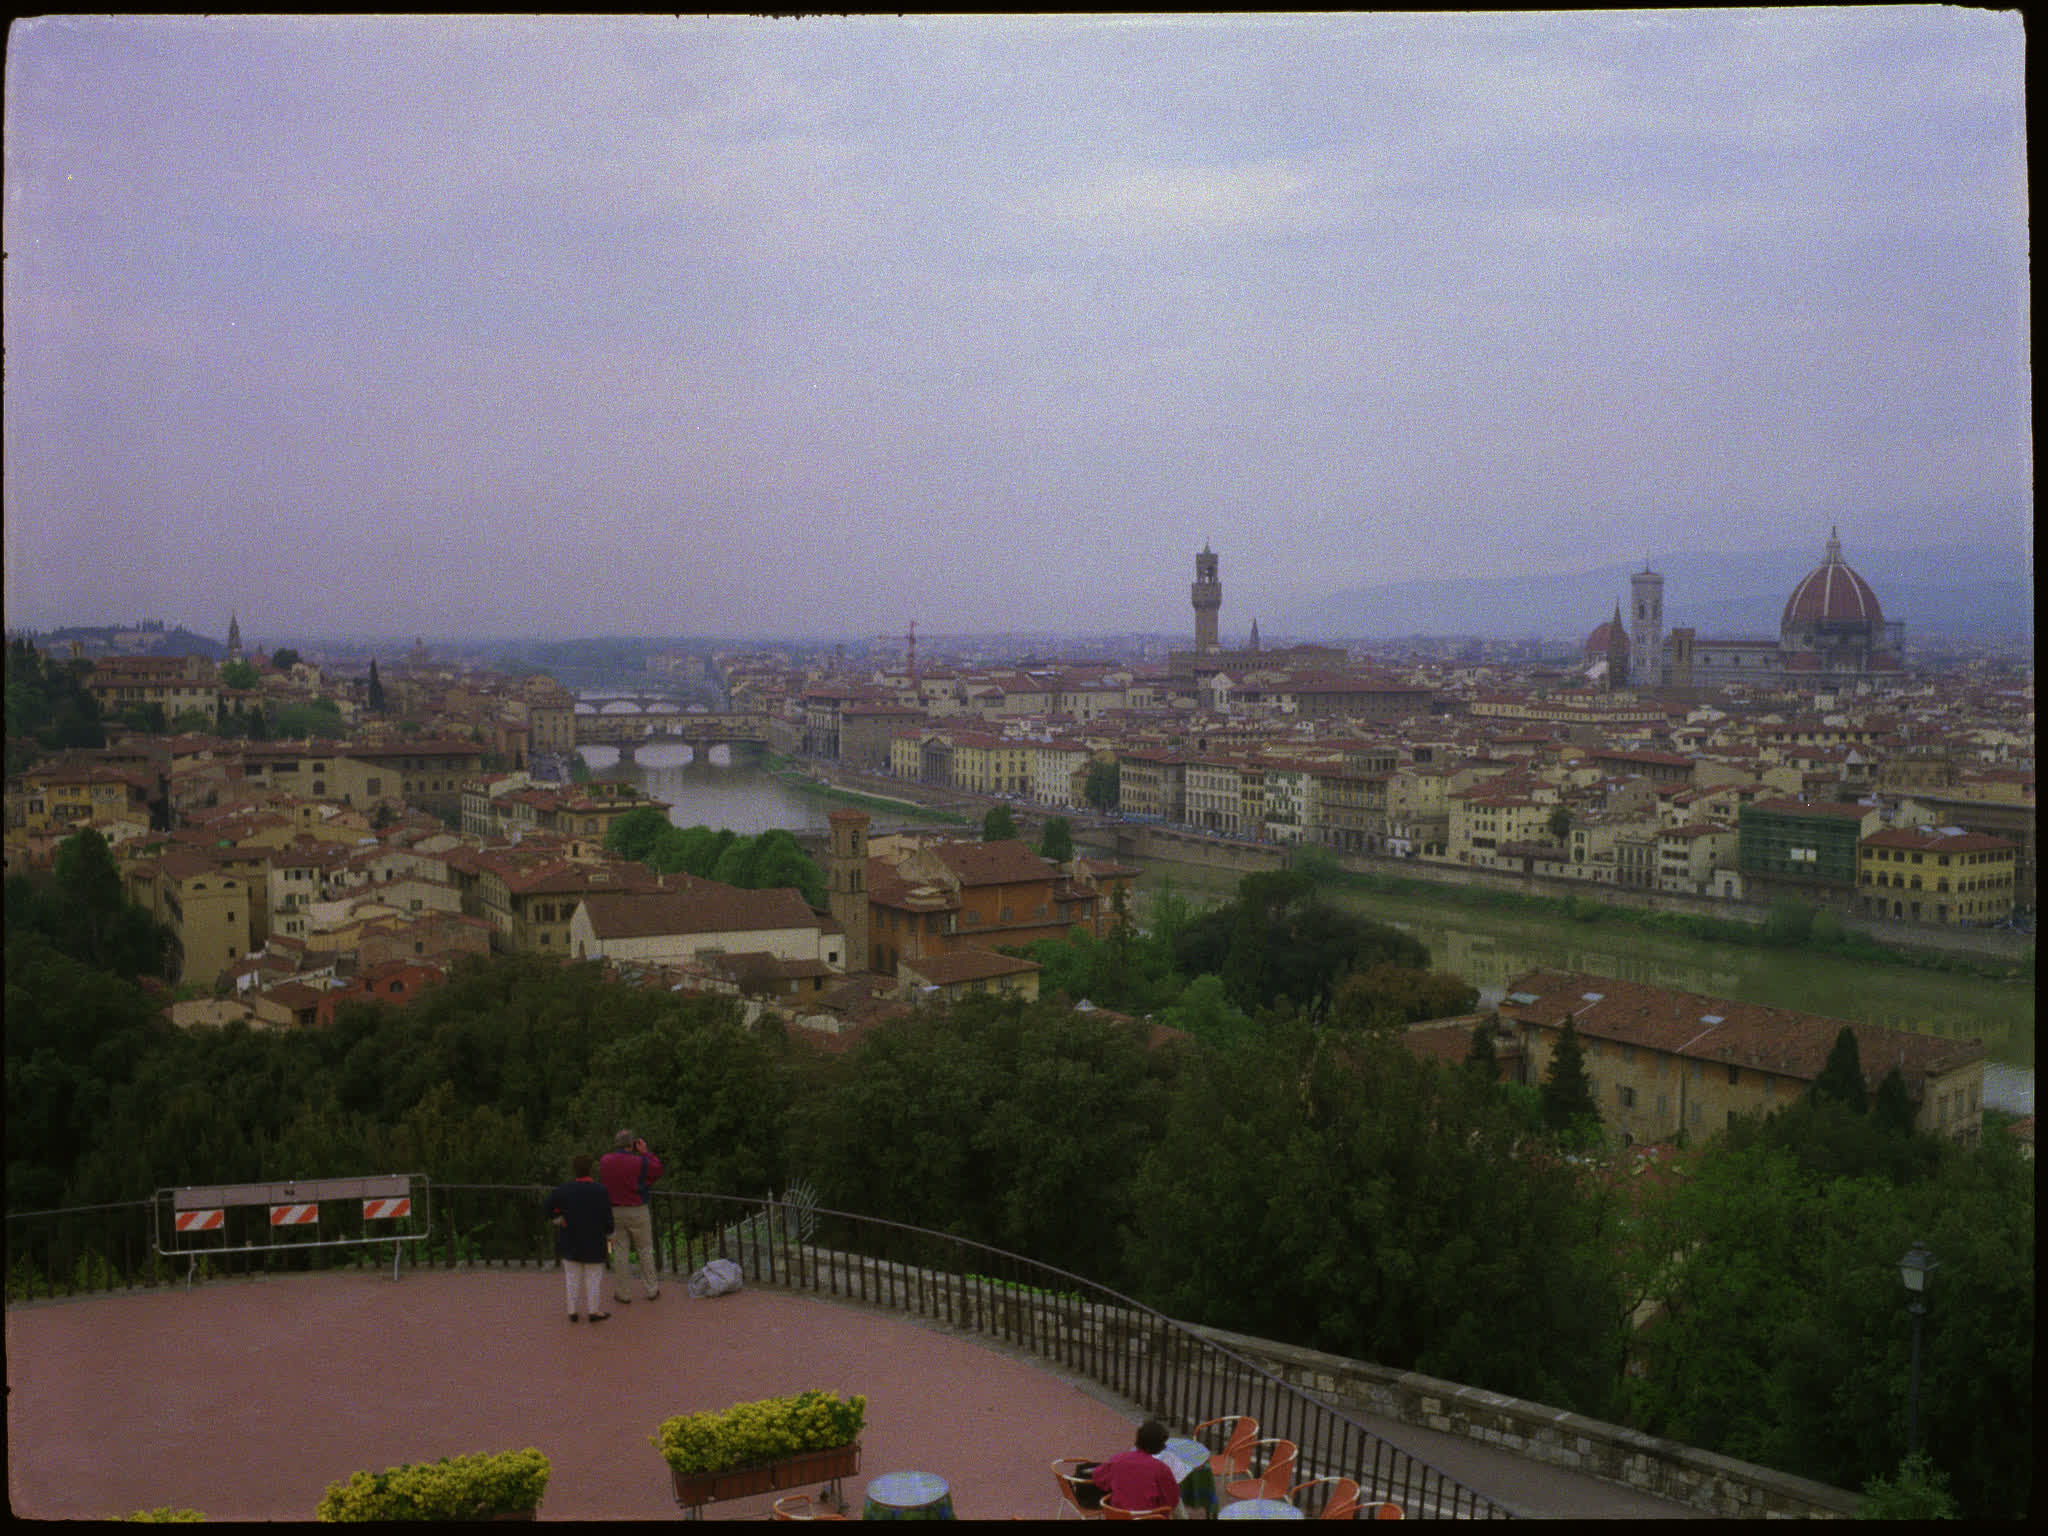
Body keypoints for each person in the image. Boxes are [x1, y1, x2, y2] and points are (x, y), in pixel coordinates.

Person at [545, 1153, 614, 1322]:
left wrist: (558, 1219)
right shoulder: (600, 1191)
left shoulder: (564, 1190)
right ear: (591, 1169)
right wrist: (609, 1233)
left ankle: (572, 1311)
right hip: (594, 1240)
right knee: (593, 1278)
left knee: (572, 1278)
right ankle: (593, 1311)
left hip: (570, 1239)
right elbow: (607, 1217)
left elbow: (547, 1206)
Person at [598, 1128, 664, 1304]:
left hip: (614, 1211)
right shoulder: (639, 1162)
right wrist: (645, 1152)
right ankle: (651, 1289)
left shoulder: (605, 1161)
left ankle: (623, 1292)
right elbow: (657, 1170)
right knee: (645, 1250)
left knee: (620, 1252)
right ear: (632, 1144)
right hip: (638, 1209)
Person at [1091, 1419, 1181, 1515]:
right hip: (1149, 1516)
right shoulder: (1161, 1468)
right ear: (1158, 1445)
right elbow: (1172, 1500)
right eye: (1163, 1443)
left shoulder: (1117, 1459)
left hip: (1117, 1514)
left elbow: (1097, 1477)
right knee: (1178, 1506)